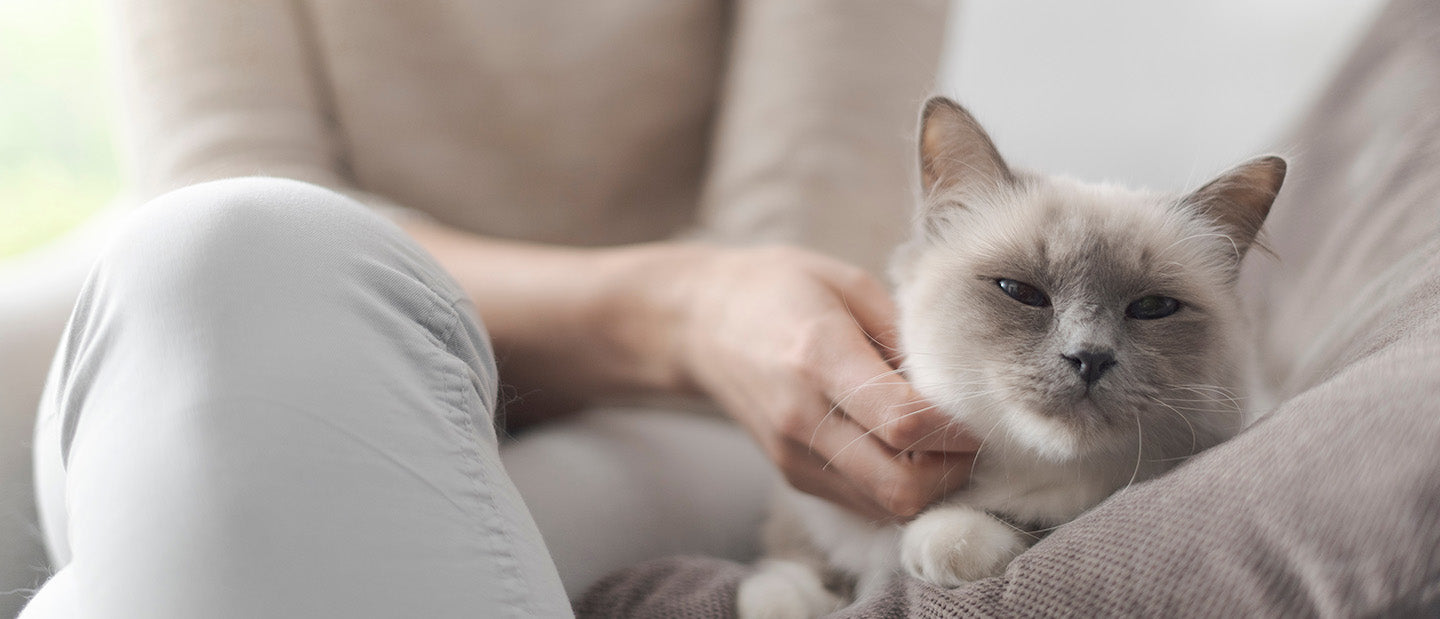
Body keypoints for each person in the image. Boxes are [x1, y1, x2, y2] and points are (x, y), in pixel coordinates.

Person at [19, 1, 975, 616]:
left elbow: (795, 251)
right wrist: (674, 305)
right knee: (220, 253)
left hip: (692, 397)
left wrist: (694, 318)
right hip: (289, 328)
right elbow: (226, 178)